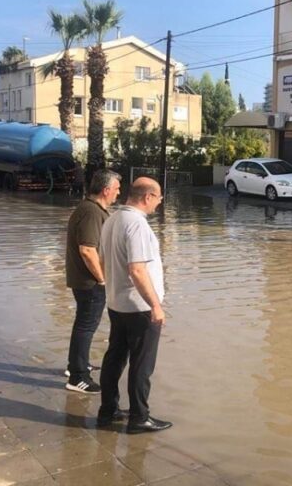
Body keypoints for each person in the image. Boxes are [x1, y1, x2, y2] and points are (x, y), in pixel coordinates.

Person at [98, 177, 171, 433]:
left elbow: (103, 261)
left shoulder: (112, 219)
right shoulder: (137, 224)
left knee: (114, 358)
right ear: (148, 197)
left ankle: (108, 410)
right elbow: (137, 270)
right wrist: (155, 305)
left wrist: (113, 289)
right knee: (142, 364)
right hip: (139, 308)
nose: (159, 203)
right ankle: (139, 417)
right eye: (158, 198)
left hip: (116, 303)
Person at [64, 169, 122, 394]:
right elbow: (87, 250)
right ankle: (78, 376)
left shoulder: (91, 209)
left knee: (84, 324)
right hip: (89, 282)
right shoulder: (91, 212)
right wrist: (102, 279)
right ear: (106, 190)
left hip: (86, 280)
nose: (118, 193)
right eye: (116, 188)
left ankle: (79, 364)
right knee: (86, 326)